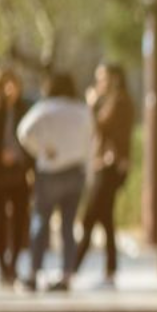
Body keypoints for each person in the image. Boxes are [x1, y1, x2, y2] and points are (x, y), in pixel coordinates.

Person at [15, 72, 92, 292]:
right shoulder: (82, 111)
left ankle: (33, 273)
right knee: (68, 226)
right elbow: (90, 143)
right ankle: (66, 275)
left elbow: (23, 132)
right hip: (75, 172)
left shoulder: (45, 108)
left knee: (41, 221)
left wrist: (40, 149)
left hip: (49, 172)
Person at [74, 62, 135, 288]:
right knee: (106, 219)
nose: (98, 83)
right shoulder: (114, 101)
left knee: (89, 217)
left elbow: (101, 127)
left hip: (109, 168)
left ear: (114, 79)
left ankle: (71, 269)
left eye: (102, 78)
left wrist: (91, 105)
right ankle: (110, 270)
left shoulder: (119, 102)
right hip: (106, 166)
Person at [0, 67, 33, 287]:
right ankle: (2, 266)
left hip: (19, 172)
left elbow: (33, 141)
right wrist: (0, 155)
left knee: (19, 219)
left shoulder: (25, 110)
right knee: (0, 219)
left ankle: (14, 264)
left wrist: (23, 161)